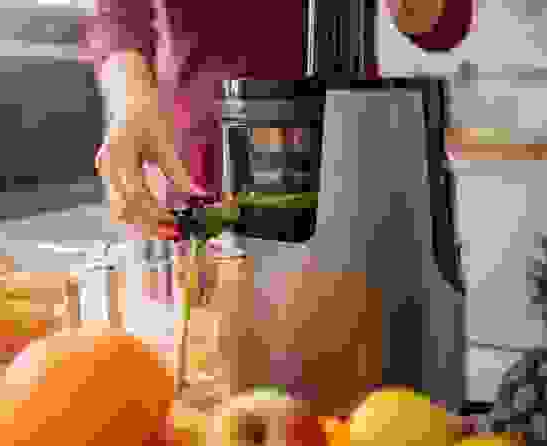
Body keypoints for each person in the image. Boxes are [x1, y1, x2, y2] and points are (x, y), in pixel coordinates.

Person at [86, 0, 476, 415]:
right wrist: (130, 102)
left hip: (353, 160)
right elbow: (119, 16)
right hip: (187, 167)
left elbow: (441, 25)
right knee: (199, 387)